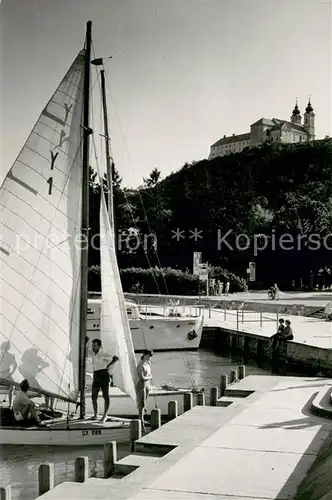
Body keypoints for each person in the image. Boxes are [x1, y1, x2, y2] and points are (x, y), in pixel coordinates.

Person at [91, 338, 118, 423]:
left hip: (103, 374)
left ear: (99, 346)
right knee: (93, 396)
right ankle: (95, 415)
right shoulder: (94, 354)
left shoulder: (103, 353)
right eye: (92, 346)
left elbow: (116, 358)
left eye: (95, 346)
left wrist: (108, 365)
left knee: (105, 396)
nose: (93, 347)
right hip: (96, 375)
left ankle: (105, 415)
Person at [136, 349, 153, 430]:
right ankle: (141, 421)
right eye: (148, 356)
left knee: (144, 404)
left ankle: (142, 418)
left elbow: (149, 374)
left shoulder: (148, 363)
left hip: (147, 386)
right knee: (141, 404)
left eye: (150, 356)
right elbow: (142, 378)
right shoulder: (140, 365)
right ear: (144, 355)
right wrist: (150, 377)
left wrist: (149, 379)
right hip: (141, 386)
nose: (150, 357)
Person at [0, 341, 17, 407]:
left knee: (12, 386)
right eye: (3, 347)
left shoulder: (11, 356)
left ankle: (10, 404)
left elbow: (15, 365)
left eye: (6, 347)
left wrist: (11, 373)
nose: (4, 348)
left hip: (7, 374)